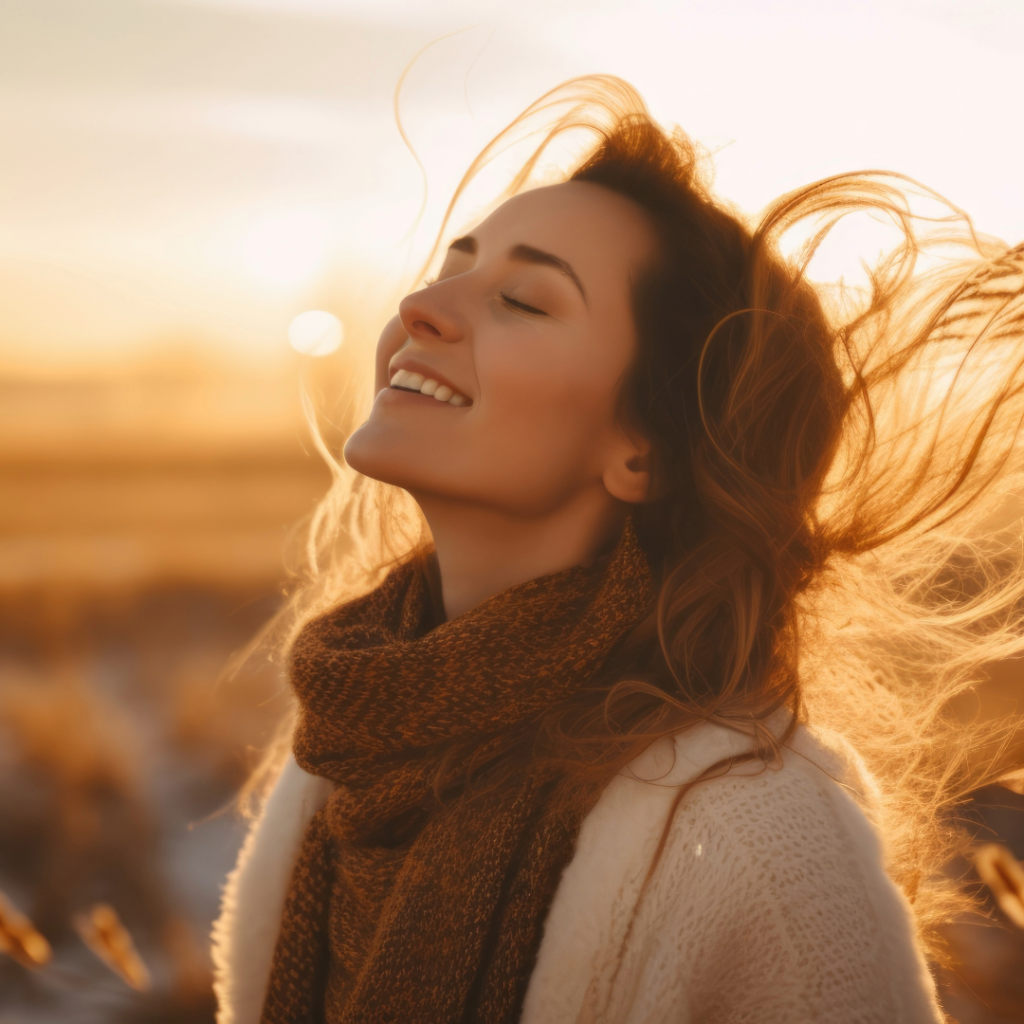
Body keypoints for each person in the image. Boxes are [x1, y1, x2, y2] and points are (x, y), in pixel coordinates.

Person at [211, 77, 1024, 1023]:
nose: (424, 305)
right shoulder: (348, 740)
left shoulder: (751, 829)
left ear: (643, 447)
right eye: (454, 265)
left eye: (523, 298)